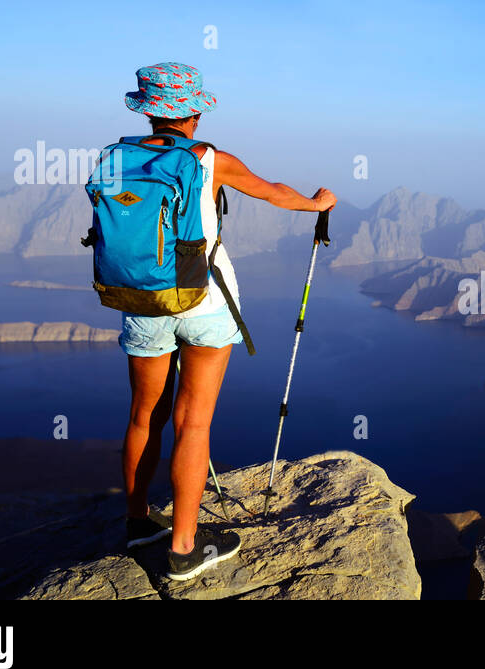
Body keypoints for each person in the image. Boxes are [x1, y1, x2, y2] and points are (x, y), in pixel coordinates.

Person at [117, 62, 336, 581]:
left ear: (148, 111)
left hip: (141, 299)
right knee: (194, 421)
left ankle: (137, 520)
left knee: (144, 415)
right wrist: (317, 203)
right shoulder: (207, 159)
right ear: (191, 113)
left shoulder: (117, 159)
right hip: (203, 302)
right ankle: (185, 548)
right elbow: (273, 191)